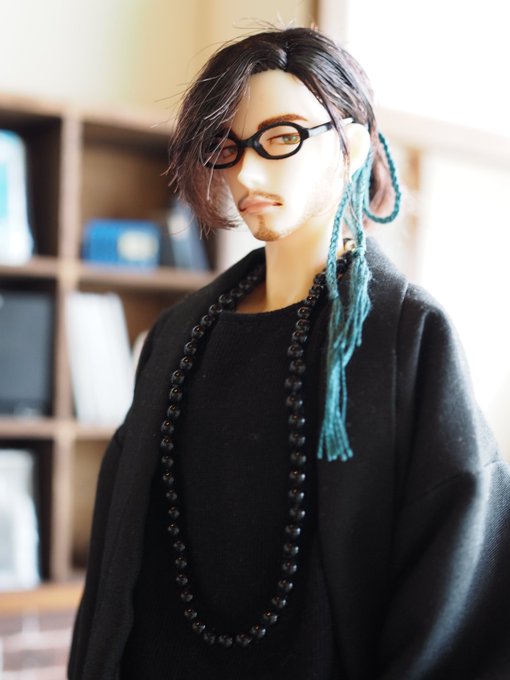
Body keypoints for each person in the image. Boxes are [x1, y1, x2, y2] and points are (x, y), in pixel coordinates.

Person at [68, 26, 510, 680]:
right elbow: (116, 570)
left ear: (352, 146)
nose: (245, 173)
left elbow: (458, 586)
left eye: (280, 138)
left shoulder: (405, 337)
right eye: (228, 147)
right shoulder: (177, 336)